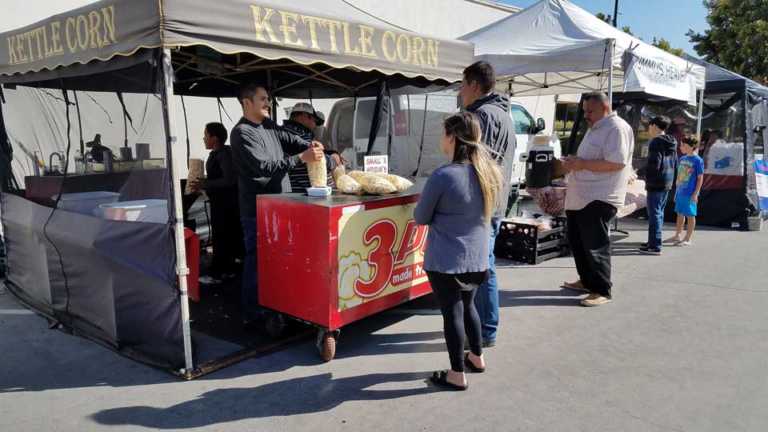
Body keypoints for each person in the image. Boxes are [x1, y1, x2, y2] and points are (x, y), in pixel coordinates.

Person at [414, 112, 502, 391]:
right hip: (477, 258)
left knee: (451, 313)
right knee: (469, 307)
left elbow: (421, 217)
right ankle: (476, 357)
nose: (442, 139)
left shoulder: (443, 175)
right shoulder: (489, 172)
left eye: (443, 133)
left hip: (446, 260)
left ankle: (456, 373)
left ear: (452, 137)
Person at [230, 83, 325, 324]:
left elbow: (290, 139)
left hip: (281, 207)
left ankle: (277, 304)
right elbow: (263, 168)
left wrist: (309, 146)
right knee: (257, 261)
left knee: (280, 259)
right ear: (246, 102)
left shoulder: (269, 125)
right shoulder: (242, 133)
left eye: (268, 99)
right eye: (262, 99)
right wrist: (301, 158)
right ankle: (252, 313)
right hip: (257, 211)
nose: (267, 103)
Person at [459, 60, 515, 348]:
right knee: (485, 265)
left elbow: (473, 164)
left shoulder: (480, 116)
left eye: (462, 84)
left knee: (482, 267)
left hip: (482, 203)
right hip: (496, 200)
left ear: (474, 85)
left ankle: (486, 330)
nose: (460, 91)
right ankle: (484, 325)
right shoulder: (505, 115)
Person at [561, 92, 634, 307]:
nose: (586, 115)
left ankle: (602, 289)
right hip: (582, 196)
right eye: (584, 111)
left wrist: (581, 164)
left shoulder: (616, 128)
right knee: (578, 241)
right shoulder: (597, 128)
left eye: (589, 111)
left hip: (599, 196)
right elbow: (592, 159)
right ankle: (586, 280)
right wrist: (574, 163)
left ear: (605, 107)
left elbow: (617, 163)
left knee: (595, 245)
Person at [189, 122, 243, 284]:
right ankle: (226, 270)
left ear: (215, 138)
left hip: (227, 204)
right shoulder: (217, 153)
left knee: (223, 236)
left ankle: (218, 273)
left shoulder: (224, 154)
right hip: (220, 202)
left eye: (206, 135)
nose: (204, 138)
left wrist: (205, 184)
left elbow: (229, 180)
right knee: (224, 236)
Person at [639, 116, 678, 255]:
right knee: (658, 213)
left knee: (654, 213)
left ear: (654, 126)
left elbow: (654, 163)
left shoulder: (655, 142)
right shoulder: (672, 141)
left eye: (649, 126)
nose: (648, 129)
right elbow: (675, 162)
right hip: (667, 181)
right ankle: (653, 241)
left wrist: (644, 176)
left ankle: (655, 246)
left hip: (656, 183)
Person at [283, 102, 341, 190]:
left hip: (301, 190)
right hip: (306, 193)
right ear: (304, 116)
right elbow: (316, 156)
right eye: (314, 121)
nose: (314, 126)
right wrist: (333, 159)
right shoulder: (296, 135)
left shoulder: (287, 132)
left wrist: (332, 152)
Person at [667, 136, 704, 246]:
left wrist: (695, 193)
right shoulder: (682, 159)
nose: (681, 147)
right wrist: (677, 191)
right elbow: (680, 176)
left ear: (692, 146)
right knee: (679, 213)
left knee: (690, 215)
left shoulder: (698, 160)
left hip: (690, 193)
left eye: (684, 145)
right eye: (681, 144)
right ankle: (677, 235)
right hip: (680, 192)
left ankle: (687, 238)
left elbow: (700, 178)